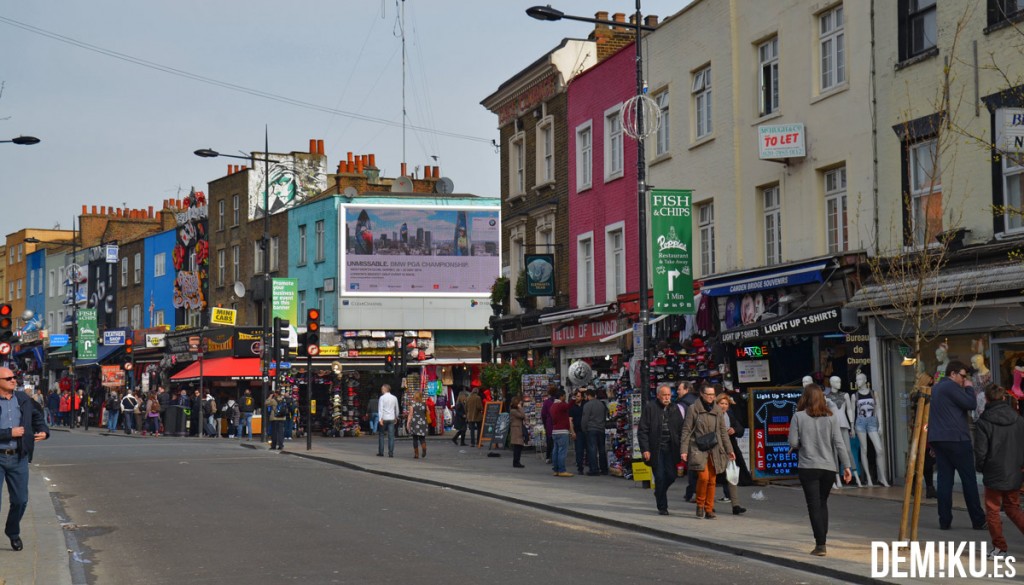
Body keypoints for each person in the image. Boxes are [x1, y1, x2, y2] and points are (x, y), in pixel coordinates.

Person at [788, 383, 853, 557]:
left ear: (805, 398)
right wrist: (847, 466)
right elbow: (839, 443)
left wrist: (802, 443)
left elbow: (793, 442)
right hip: (828, 468)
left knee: (813, 505)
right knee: (822, 503)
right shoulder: (831, 417)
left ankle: (820, 544)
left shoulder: (798, 417)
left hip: (808, 467)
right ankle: (822, 540)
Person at [928, 360, 987, 531]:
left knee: (944, 481)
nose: (964, 379)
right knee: (968, 480)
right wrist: (969, 387)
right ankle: (978, 519)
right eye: (962, 376)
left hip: (940, 440)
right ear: (952, 374)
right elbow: (971, 404)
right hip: (957, 439)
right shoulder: (951, 387)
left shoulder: (937, 388)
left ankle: (944, 521)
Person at [0, 367, 49, 552]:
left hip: (18, 457)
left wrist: (44, 431)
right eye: (9, 378)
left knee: (21, 500)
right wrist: (8, 433)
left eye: (15, 377)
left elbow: (37, 416)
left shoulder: (22, 399)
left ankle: (12, 531)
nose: (14, 380)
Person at [974, 384, 1024, 559]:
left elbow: (980, 451)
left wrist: (981, 467)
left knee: (993, 511)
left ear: (987, 399)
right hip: (1014, 470)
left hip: (994, 471)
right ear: (1004, 398)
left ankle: (1000, 548)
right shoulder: (1018, 420)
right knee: (1013, 508)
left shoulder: (983, 422)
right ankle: (999, 548)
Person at [681, 383, 735, 520]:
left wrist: (730, 450)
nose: (711, 397)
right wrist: (684, 450)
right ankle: (700, 504)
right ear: (702, 394)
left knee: (712, 479)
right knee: (703, 477)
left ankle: (709, 509)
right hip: (698, 447)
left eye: (713, 395)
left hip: (715, 448)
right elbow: (686, 430)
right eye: (708, 395)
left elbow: (723, 432)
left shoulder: (717, 410)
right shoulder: (693, 409)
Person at [638, 384, 684, 515]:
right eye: (664, 395)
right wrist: (645, 449)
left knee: (671, 475)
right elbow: (643, 430)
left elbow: (681, 429)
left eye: (669, 395)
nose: (667, 398)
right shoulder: (650, 408)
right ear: (658, 395)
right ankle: (662, 506)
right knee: (659, 477)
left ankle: (659, 492)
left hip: (671, 448)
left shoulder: (674, 408)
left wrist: (682, 447)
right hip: (656, 449)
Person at [715, 393, 747, 515]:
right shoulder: (713, 416)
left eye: (726, 404)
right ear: (717, 404)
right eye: (721, 403)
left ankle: (736, 505)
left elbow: (740, 429)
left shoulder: (730, 416)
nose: (723, 406)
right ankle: (707, 505)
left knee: (732, 478)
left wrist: (734, 430)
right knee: (712, 479)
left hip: (729, 450)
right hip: (716, 451)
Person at [581, 388, 609, 476]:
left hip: (591, 429)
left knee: (592, 449)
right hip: (601, 429)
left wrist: (584, 429)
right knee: (601, 449)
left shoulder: (587, 405)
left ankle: (594, 469)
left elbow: (585, 419)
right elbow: (605, 417)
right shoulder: (602, 404)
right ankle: (604, 468)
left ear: (588, 396)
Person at [549, 388, 573, 477]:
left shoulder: (552, 406)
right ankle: (562, 470)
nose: (565, 398)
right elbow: (569, 406)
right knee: (562, 451)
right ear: (561, 396)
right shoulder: (560, 405)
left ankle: (556, 469)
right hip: (562, 431)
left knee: (555, 451)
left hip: (555, 431)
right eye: (565, 396)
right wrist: (574, 398)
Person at [377, 384, 399, 457]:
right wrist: (396, 417)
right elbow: (397, 409)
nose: (381, 390)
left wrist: (380, 419)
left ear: (385, 389)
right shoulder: (394, 398)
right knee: (391, 436)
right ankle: (391, 453)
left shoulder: (382, 398)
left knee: (381, 435)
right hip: (392, 418)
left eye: (382, 389)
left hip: (384, 418)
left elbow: (380, 409)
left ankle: (381, 452)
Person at [568, 389, 587, 474]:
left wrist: (584, 389)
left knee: (589, 449)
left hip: (586, 431)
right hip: (578, 431)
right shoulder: (572, 408)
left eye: (578, 396)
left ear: (582, 397)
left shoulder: (586, 405)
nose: (576, 398)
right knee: (579, 450)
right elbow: (570, 420)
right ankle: (580, 467)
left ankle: (590, 465)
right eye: (576, 396)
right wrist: (572, 432)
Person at [405, 391, 429, 459]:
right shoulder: (424, 404)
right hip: (423, 422)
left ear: (415, 397)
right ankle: (424, 448)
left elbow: (410, 415)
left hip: (415, 423)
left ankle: (416, 454)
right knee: (422, 438)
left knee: (415, 438)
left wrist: (408, 423)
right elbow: (428, 412)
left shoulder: (413, 405)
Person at [509, 395, 527, 468]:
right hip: (516, 429)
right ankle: (516, 462)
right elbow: (522, 416)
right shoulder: (513, 411)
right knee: (517, 446)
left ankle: (517, 461)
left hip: (518, 429)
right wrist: (520, 408)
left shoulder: (514, 410)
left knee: (519, 446)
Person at [540, 386, 556, 463]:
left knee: (549, 441)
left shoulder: (547, 402)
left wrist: (545, 423)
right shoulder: (558, 402)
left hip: (549, 423)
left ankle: (548, 457)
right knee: (556, 441)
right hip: (557, 423)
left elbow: (543, 414)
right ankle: (555, 456)